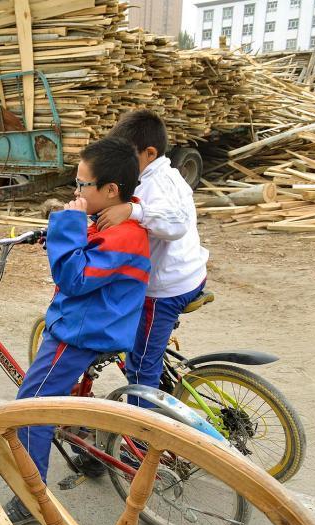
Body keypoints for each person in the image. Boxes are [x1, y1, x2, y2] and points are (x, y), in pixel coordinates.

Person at [4, 137, 151, 525]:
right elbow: (92, 250)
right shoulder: (118, 222)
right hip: (96, 322)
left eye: (82, 184)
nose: (76, 191)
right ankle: (89, 450)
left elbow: (74, 277)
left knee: (31, 406)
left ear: (110, 190)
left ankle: (31, 499)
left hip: (80, 332)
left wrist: (68, 225)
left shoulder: (124, 235)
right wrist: (62, 233)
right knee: (68, 394)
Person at [99, 110, 209, 407]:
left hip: (165, 290)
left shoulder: (157, 183)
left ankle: (143, 432)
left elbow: (177, 223)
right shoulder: (158, 174)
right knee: (142, 344)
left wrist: (132, 211)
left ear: (149, 153)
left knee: (141, 368)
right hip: (188, 273)